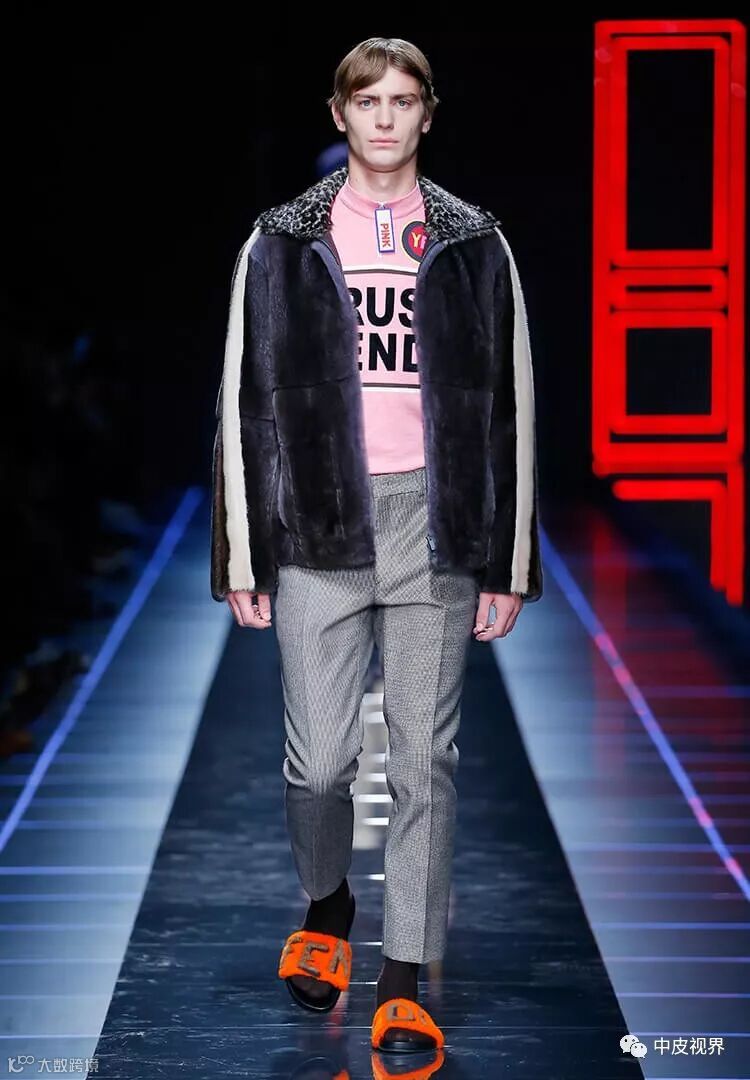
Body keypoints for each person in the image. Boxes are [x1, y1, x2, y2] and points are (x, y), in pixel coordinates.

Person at [210, 36, 543, 1055]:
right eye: (369, 101)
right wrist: (241, 555)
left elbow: (514, 406)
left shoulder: (476, 241)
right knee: (319, 766)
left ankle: (402, 975)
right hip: (318, 521)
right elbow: (240, 403)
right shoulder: (280, 241)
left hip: (435, 521)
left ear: (427, 114)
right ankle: (329, 901)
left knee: (424, 763)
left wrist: (509, 562)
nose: (386, 118)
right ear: (340, 113)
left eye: (404, 101)